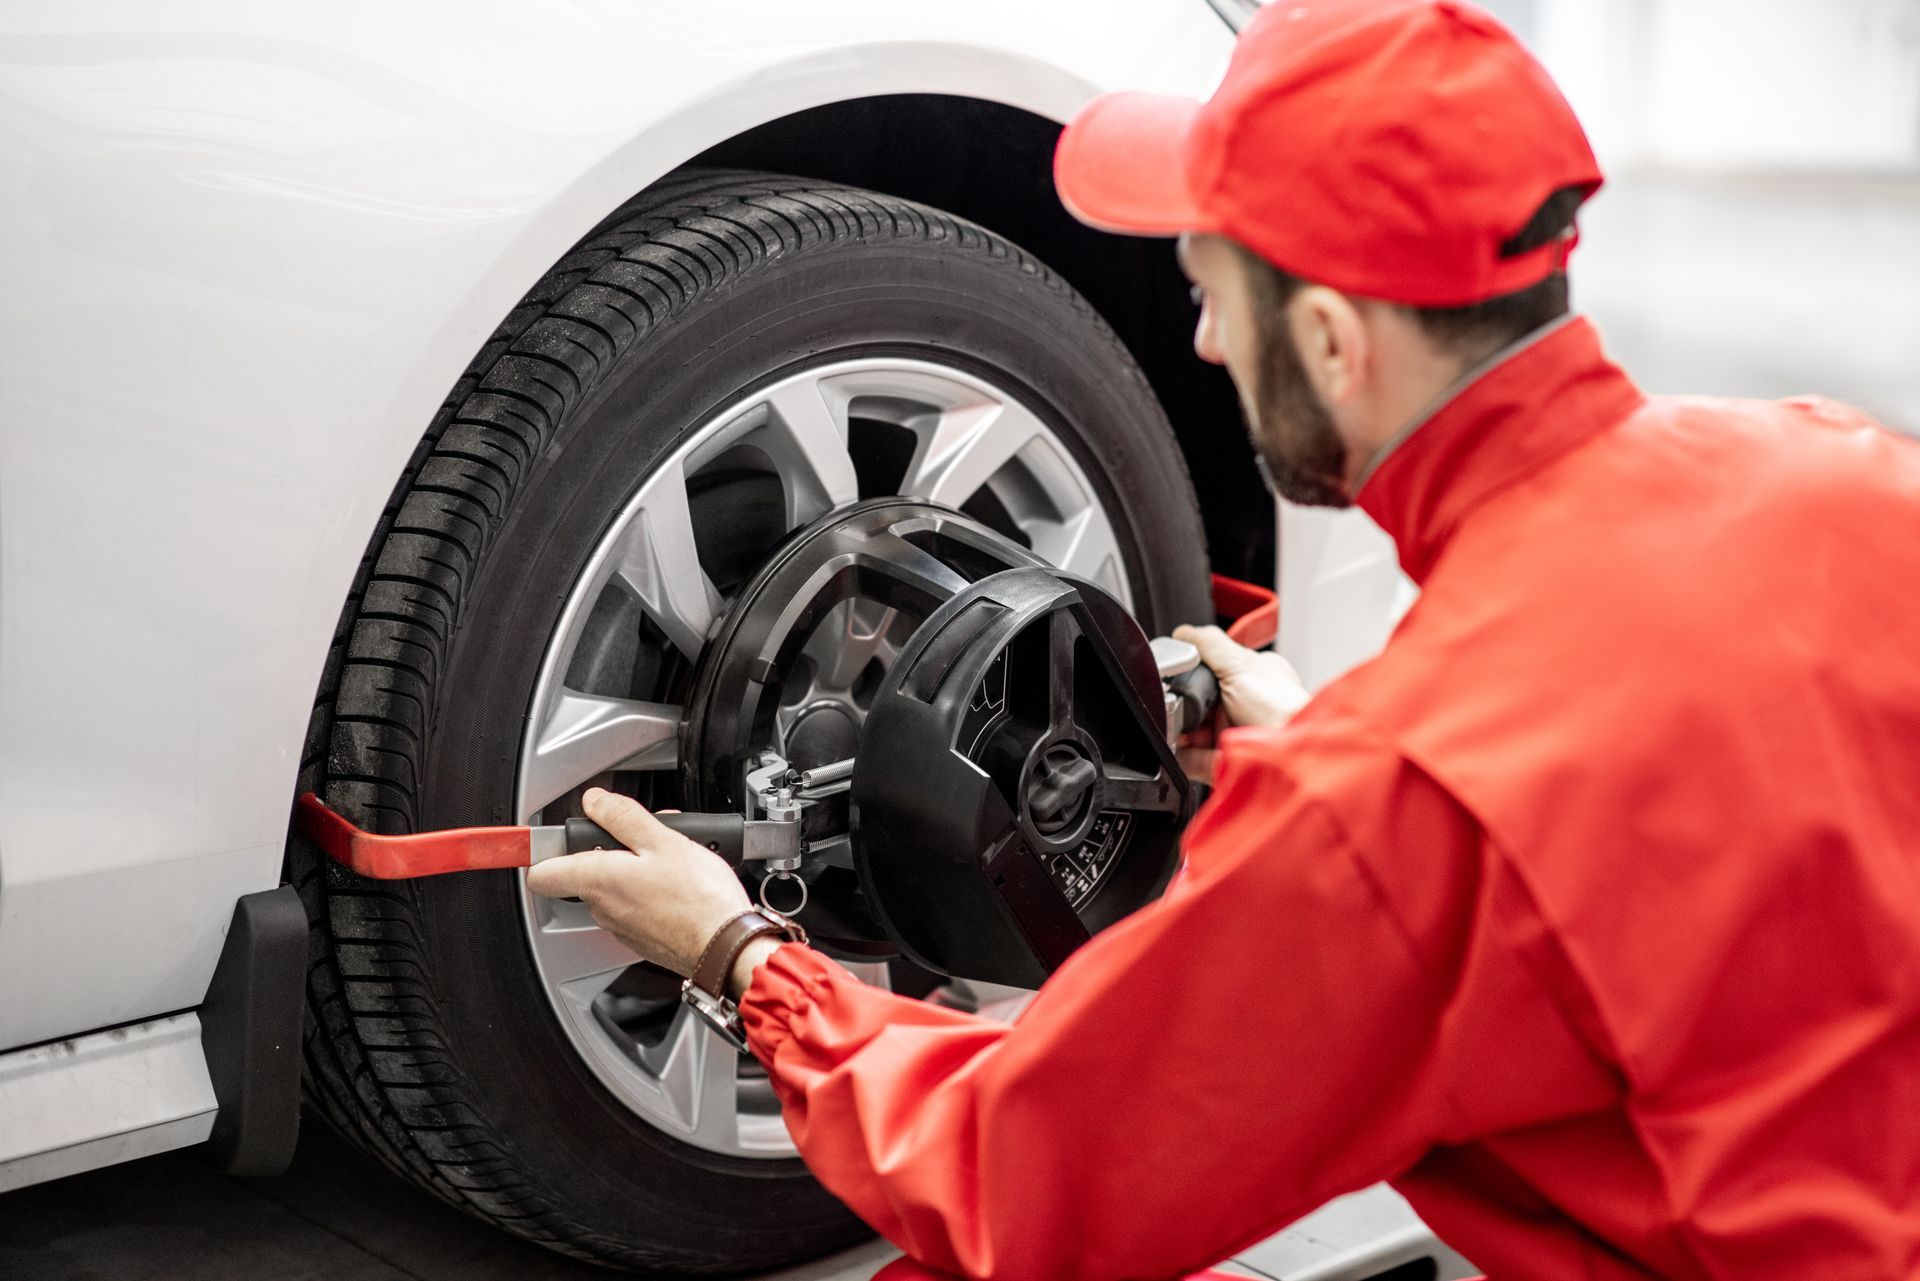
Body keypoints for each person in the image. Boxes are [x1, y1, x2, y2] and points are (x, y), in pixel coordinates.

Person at [528, 2, 1920, 1277]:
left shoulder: (1398, 802)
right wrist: (1338, 767)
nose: (1199, 345)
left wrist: (744, 961)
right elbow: (1626, 817)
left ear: (1331, 341)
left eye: (1212, 297)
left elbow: (1022, 1184)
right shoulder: (1846, 472)